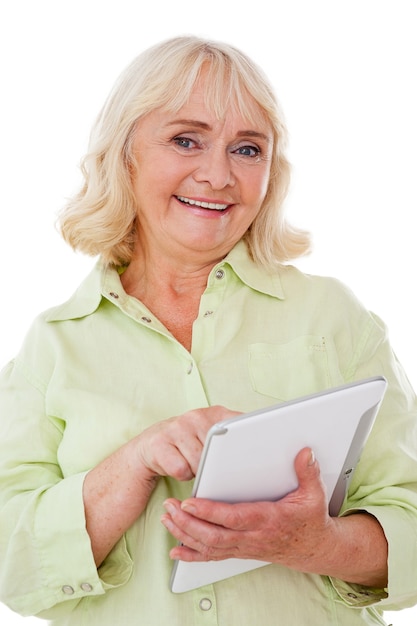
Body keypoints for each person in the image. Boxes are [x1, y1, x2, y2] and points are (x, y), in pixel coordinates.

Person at [0, 35, 416, 626]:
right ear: (126, 156)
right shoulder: (55, 344)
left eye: (248, 149)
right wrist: (134, 463)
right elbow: (12, 570)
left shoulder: (333, 317)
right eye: (185, 140)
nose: (218, 175)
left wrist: (313, 543)